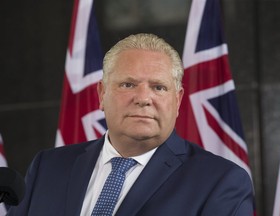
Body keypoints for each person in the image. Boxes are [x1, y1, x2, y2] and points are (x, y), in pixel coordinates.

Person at [7, 33, 254, 216]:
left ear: (177, 100)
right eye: (128, 84)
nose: (143, 98)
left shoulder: (220, 182)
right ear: (101, 94)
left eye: (159, 87)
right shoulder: (47, 168)